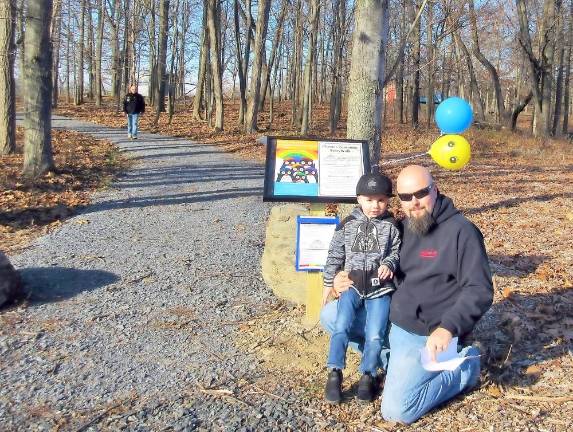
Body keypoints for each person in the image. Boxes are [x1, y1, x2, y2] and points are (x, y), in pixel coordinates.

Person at [320, 165, 493, 424]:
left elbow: (479, 289)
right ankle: (391, 360)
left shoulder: (462, 232)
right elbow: (372, 258)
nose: (414, 202)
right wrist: (341, 277)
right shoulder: (401, 227)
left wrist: (448, 328)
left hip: (425, 332)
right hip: (391, 318)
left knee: (398, 409)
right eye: (405, 197)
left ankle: (466, 368)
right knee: (331, 315)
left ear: (435, 189)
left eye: (421, 193)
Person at [322, 173, 401, 404]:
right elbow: (335, 255)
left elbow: (396, 252)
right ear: (359, 199)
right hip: (352, 285)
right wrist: (329, 282)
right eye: (369, 199)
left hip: (380, 288)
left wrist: (389, 264)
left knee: (375, 333)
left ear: (388, 201)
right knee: (341, 327)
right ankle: (335, 372)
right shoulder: (347, 225)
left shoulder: (391, 226)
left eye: (381, 200)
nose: (375, 205)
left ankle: (368, 374)